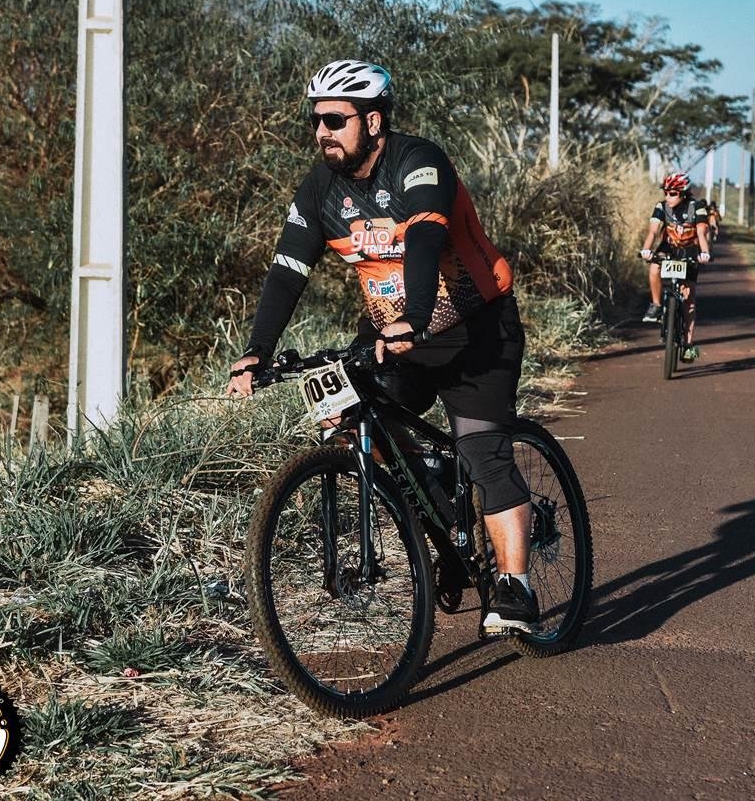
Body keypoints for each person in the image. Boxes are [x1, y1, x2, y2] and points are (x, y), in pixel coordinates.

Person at [225, 59, 538, 634]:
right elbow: (288, 269)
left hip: (475, 327)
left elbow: (425, 239)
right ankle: (430, 487)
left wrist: (414, 318)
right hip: (394, 333)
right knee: (345, 418)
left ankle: (515, 585)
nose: (321, 131)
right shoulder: (321, 188)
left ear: (372, 121)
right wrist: (257, 350)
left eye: (334, 120)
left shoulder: (419, 161)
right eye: (315, 120)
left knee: (483, 453)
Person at [639, 172, 712, 362]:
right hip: (669, 247)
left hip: (690, 249)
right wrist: (646, 249)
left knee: (689, 299)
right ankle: (656, 305)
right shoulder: (661, 207)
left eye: (673, 193)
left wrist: (705, 253)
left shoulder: (697, 207)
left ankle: (688, 344)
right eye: (666, 193)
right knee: (654, 268)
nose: (668, 197)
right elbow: (653, 231)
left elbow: (701, 233)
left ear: (684, 193)